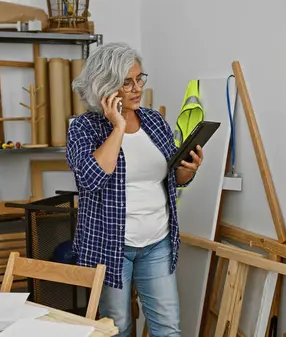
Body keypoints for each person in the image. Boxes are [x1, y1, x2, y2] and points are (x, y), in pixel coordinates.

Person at [67, 42, 203, 337]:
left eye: (139, 79)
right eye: (126, 82)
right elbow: (91, 180)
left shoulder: (154, 120)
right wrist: (117, 127)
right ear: (105, 86)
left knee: (168, 328)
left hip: (157, 241)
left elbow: (169, 179)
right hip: (110, 246)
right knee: (117, 328)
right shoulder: (83, 128)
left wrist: (186, 171)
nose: (137, 88)